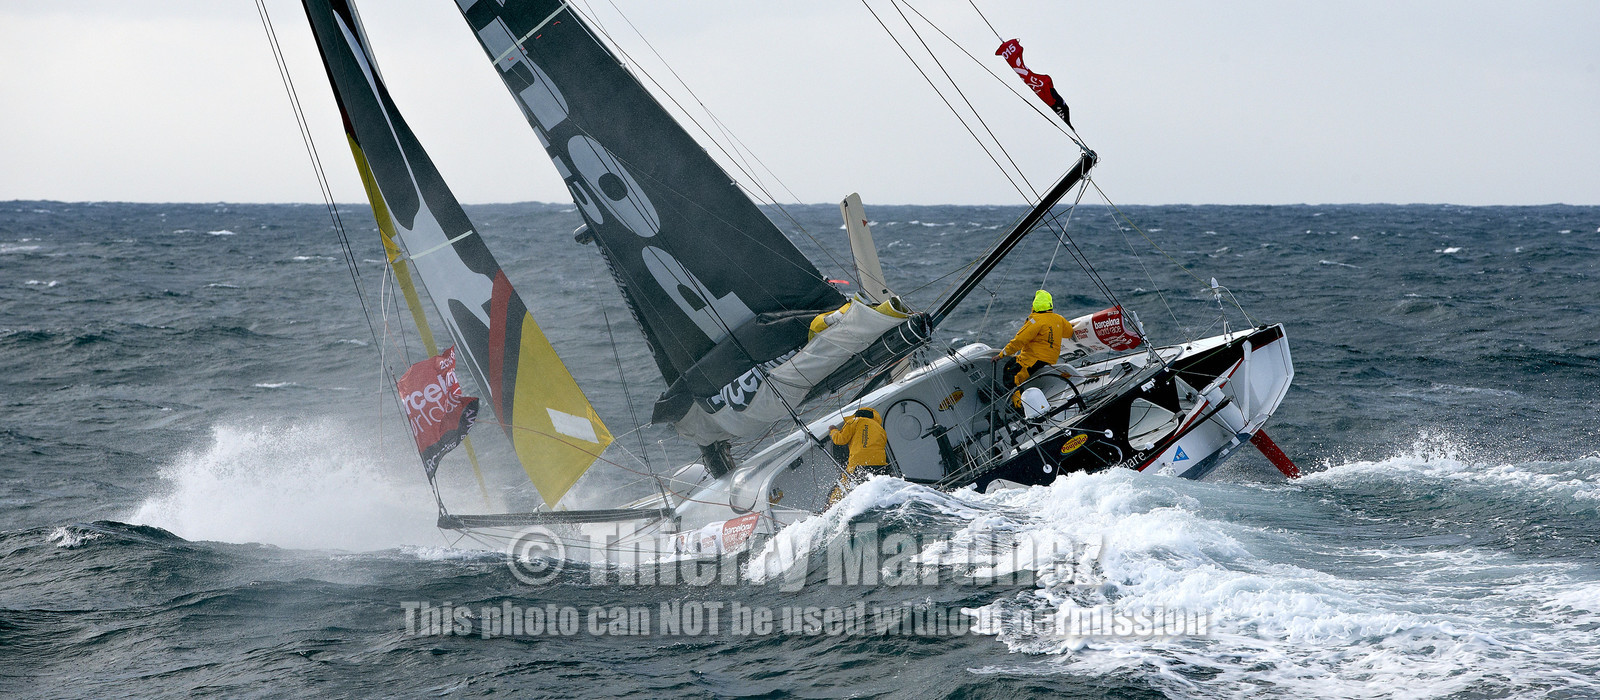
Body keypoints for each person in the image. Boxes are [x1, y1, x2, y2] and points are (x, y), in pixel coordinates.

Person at [1001, 290, 1073, 408]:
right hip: (1049, 358)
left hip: (1035, 358)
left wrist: (1001, 354)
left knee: (1012, 376)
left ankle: (1019, 407)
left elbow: (1019, 341)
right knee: (1010, 364)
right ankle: (1019, 397)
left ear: (1034, 305)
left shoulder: (1035, 321)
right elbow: (1069, 332)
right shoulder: (1058, 319)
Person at [826, 407, 889, 504]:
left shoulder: (854, 421)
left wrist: (833, 430)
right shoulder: (880, 428)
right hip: (880, 464)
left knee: (842, 486)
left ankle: (829, 507)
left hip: (859, 463)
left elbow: (840, 440)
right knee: (873, 488)